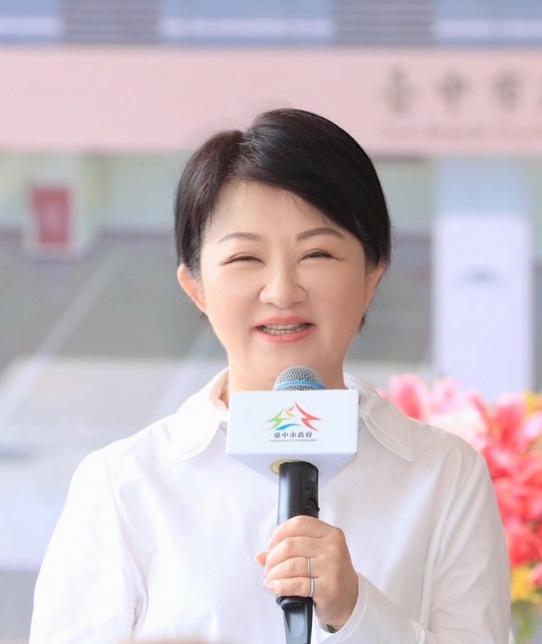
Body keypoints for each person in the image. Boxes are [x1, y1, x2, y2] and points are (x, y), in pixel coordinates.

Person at [30, 109, 510, 643]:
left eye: (318, 253)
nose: (282, 291)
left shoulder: (445, 475)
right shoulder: (124, 485)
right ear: (196, 288)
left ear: (371, 277)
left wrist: (358, 613)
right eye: (245, 258)